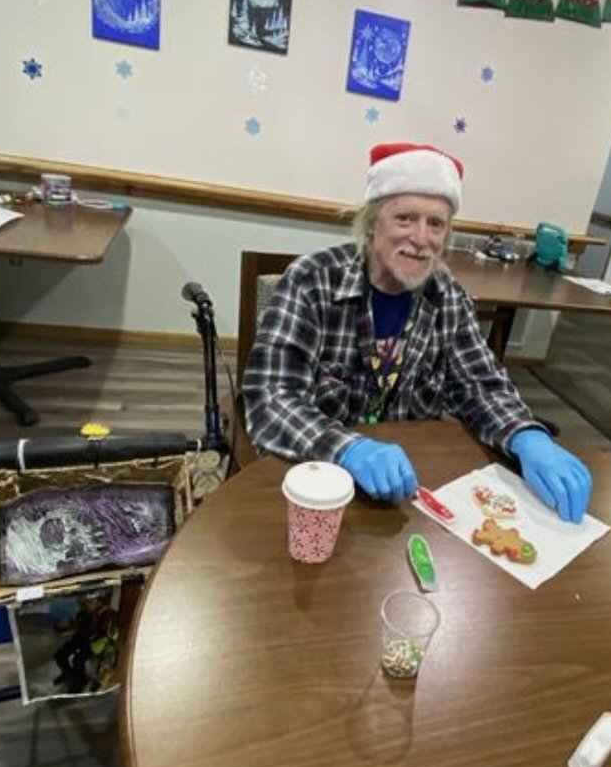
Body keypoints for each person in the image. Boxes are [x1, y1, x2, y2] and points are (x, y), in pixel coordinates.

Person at [243, 143, 592, 523]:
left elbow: (480, 386)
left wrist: (526, 436)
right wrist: (349, 449)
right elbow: (270, 399)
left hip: (407, 496)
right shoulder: (311, 282)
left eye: (436, 223)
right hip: (316, 485)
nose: (421, 238)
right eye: (405, 218)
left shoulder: (448, 297)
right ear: (373, 222)